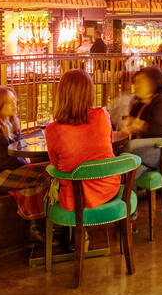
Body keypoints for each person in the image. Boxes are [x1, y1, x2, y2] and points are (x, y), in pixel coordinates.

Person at [45, 70, 119, 211]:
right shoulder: (102, 116)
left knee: (45, 177)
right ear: (89, 93)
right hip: (108, 188)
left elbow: (56, 165)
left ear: (61, 94)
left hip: (75, 199)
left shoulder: (52, 130)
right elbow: (108, 145)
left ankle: (56, 229)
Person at [0, 87, 49, 221]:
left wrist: (26, 159)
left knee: (46, 174)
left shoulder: (11, 125)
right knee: (46, 171)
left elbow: (20, 148)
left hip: (7, 172)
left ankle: (37, 227)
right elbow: (2, 161)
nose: (15, 105)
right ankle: (43, 226)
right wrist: (25, 161)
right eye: (9, 102)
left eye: (15, 101)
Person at [122, 67, 162, 171]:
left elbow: (156, 129)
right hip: (152, 148)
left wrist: (138, 125)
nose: (137, 86)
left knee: (129, 153)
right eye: (136, 82)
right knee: (134, 168)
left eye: (141, 82)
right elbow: (129, 126)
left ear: (154, 83)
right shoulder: (138, 104)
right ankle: (128, 187)